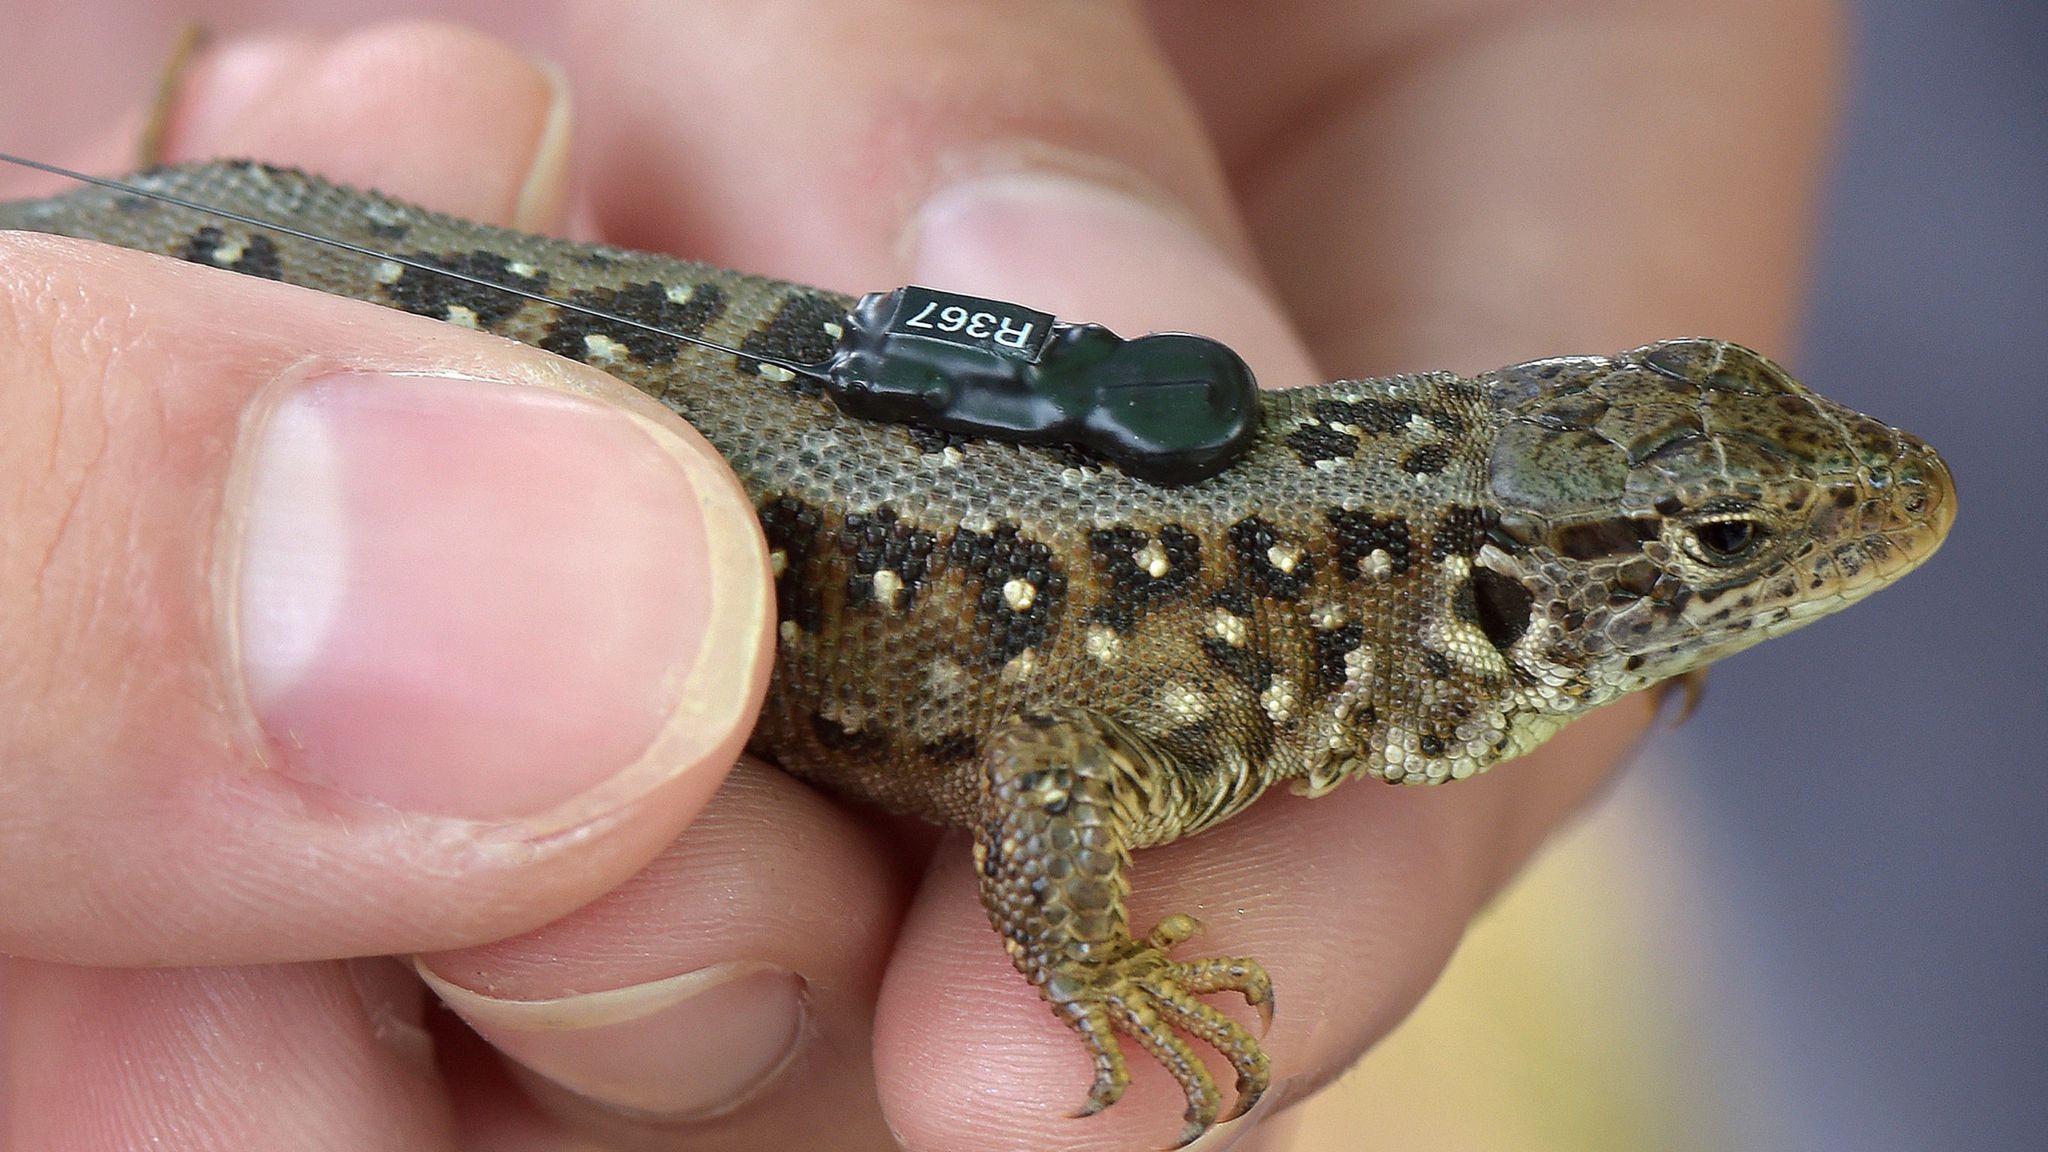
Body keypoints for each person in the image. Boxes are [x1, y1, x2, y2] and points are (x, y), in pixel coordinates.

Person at [0, 4, 1837, 1148]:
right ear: (1506, 605)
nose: (1846, 527)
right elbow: (1046, 777)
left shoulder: (1351, 581)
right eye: (1728, 552)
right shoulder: (1238, 611)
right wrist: (1090, 961)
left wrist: (1650, 615)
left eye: (1729, 545)